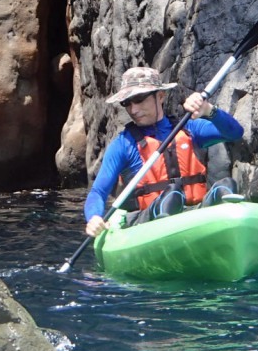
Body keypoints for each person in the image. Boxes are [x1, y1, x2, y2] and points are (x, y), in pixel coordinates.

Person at [84, 66, 244, 237]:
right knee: (171, 195)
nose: (133, 110)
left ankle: (233, 232)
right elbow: (98, 192)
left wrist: (208, 110)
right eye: (127, 103)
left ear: (160, 96)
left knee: (226, 185)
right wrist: (93, 217)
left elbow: (235, 133)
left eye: (139, 99)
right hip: (148, 224)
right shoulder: (123, 144)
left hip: (195, 214)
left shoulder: (189, 129)